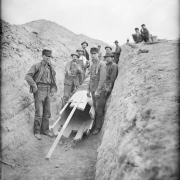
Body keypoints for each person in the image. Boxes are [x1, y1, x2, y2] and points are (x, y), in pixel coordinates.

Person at [25, 49, 57, 140]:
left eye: (49, 57)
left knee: (47, 112)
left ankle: (45, 130)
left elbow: (53, 78)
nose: (48, 58)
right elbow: (28, 76)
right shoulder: (37, 66)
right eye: (47, 56)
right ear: (43, 56)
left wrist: (52, 90)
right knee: (39, 112)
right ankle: (37, 131)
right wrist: (34, 85)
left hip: (48, 90)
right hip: (39, 90)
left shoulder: (50, 67)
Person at [87, 47, 107, 135]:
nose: (93, 56)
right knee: (94, 108)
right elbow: (91, 78)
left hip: (99, 91)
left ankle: (98, 128)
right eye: (91, 54)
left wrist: (98, 90)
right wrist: (88, 89)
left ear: (98, 54)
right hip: (93, 90)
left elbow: (102, 79)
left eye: (94, 54)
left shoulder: (102, 64)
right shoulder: (92, 65)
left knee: (99, 110)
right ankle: (94, 125)